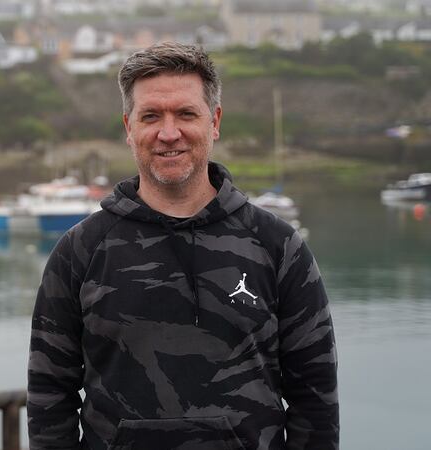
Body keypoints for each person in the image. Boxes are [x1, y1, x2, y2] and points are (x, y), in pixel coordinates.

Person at [27, 42, 338, 450]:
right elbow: (50, 397)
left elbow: (314, 398)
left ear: (215, 121)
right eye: (151, 116)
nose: (168, 132)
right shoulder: (79, 252)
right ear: (128, 127)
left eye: (186, 114)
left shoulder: (278, 246)